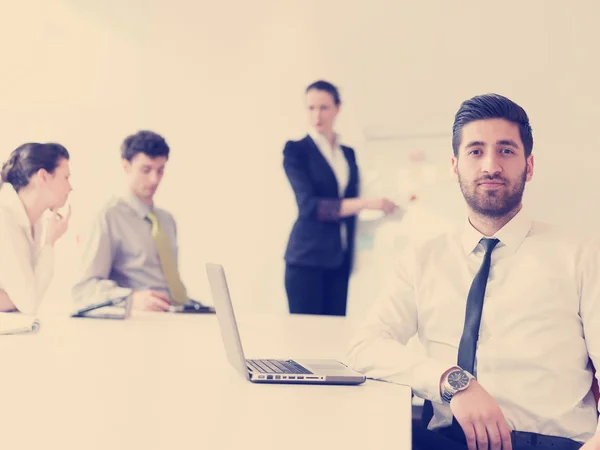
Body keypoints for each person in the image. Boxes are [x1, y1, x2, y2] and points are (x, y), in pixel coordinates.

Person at [346, 93, 600, 450]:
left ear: (529, 166)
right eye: (476, 151)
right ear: (455, 166)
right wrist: (451, 380)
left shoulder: (582, 255)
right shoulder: (422, 258)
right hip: (443, 442)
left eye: (506, 150)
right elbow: (365, 347)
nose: (490, 166)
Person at [283, 80, 397, 316]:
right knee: (304, 339)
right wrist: (366, 203)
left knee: (332, 337)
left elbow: (355, 196)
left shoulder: (348, 154)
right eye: (310, 108)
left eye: (323, 107)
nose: (317, 115)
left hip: (339, 258)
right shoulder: (296, 150)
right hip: (306, 259)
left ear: (337, 108)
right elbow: (310, 207)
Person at [72, 130, 202, 313]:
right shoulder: (107, 217)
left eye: (160, 170)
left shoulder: (167, 220)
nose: (154, 179)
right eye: (146, 170)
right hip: (139, 320)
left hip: (176, 313)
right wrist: (130, 299)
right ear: (126, 166)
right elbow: (84, 289)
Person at [0, 143, 72, 314]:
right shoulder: (4, 218)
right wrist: (49, 243)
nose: (70, 187)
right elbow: (29, 302)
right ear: (43, 177)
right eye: (66, 178)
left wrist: (11, 299)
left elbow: (29, 295)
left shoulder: (35, 221)